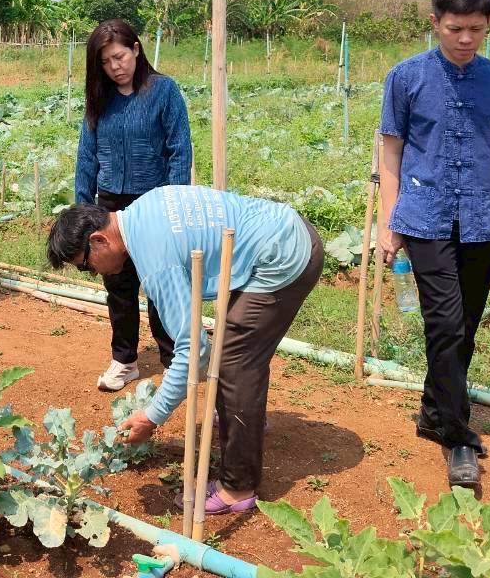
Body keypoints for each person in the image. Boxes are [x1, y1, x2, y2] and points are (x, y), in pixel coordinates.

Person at [47, 185, 323, 514]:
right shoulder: (142, 208)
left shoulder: (155, 261)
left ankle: (238, 487)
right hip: (283, 230)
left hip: (284, 256)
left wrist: (152, 416)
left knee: (233, 362)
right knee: (237, 348)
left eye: (85, 266)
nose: (92, 273)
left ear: (98, 240)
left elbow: (194, 350)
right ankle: (245, 419)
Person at [377, 0, 490, 488]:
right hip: (424, 218)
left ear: (489, 25)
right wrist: (390, 223)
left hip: (480, 222)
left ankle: (433, 410)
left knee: (464, 328)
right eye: (455, 28)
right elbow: (391, 152)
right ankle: (458, 439)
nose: (465, 39)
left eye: (475, 29)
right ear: (435, 24)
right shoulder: (405, 78)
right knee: (445, 325)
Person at [75, 19, 192, 392]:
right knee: (119, 286)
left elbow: (179, 150)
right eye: (106, 61)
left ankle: (174, 360)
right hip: (110, 204)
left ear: (137, 49)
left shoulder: (164, 91)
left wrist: (174, 203)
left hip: (154, 203)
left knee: (162, 286)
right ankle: (124, 361)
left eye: (120, 56)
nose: (115, 67)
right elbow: (87, 154)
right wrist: (82, 206)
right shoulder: (100, 99)